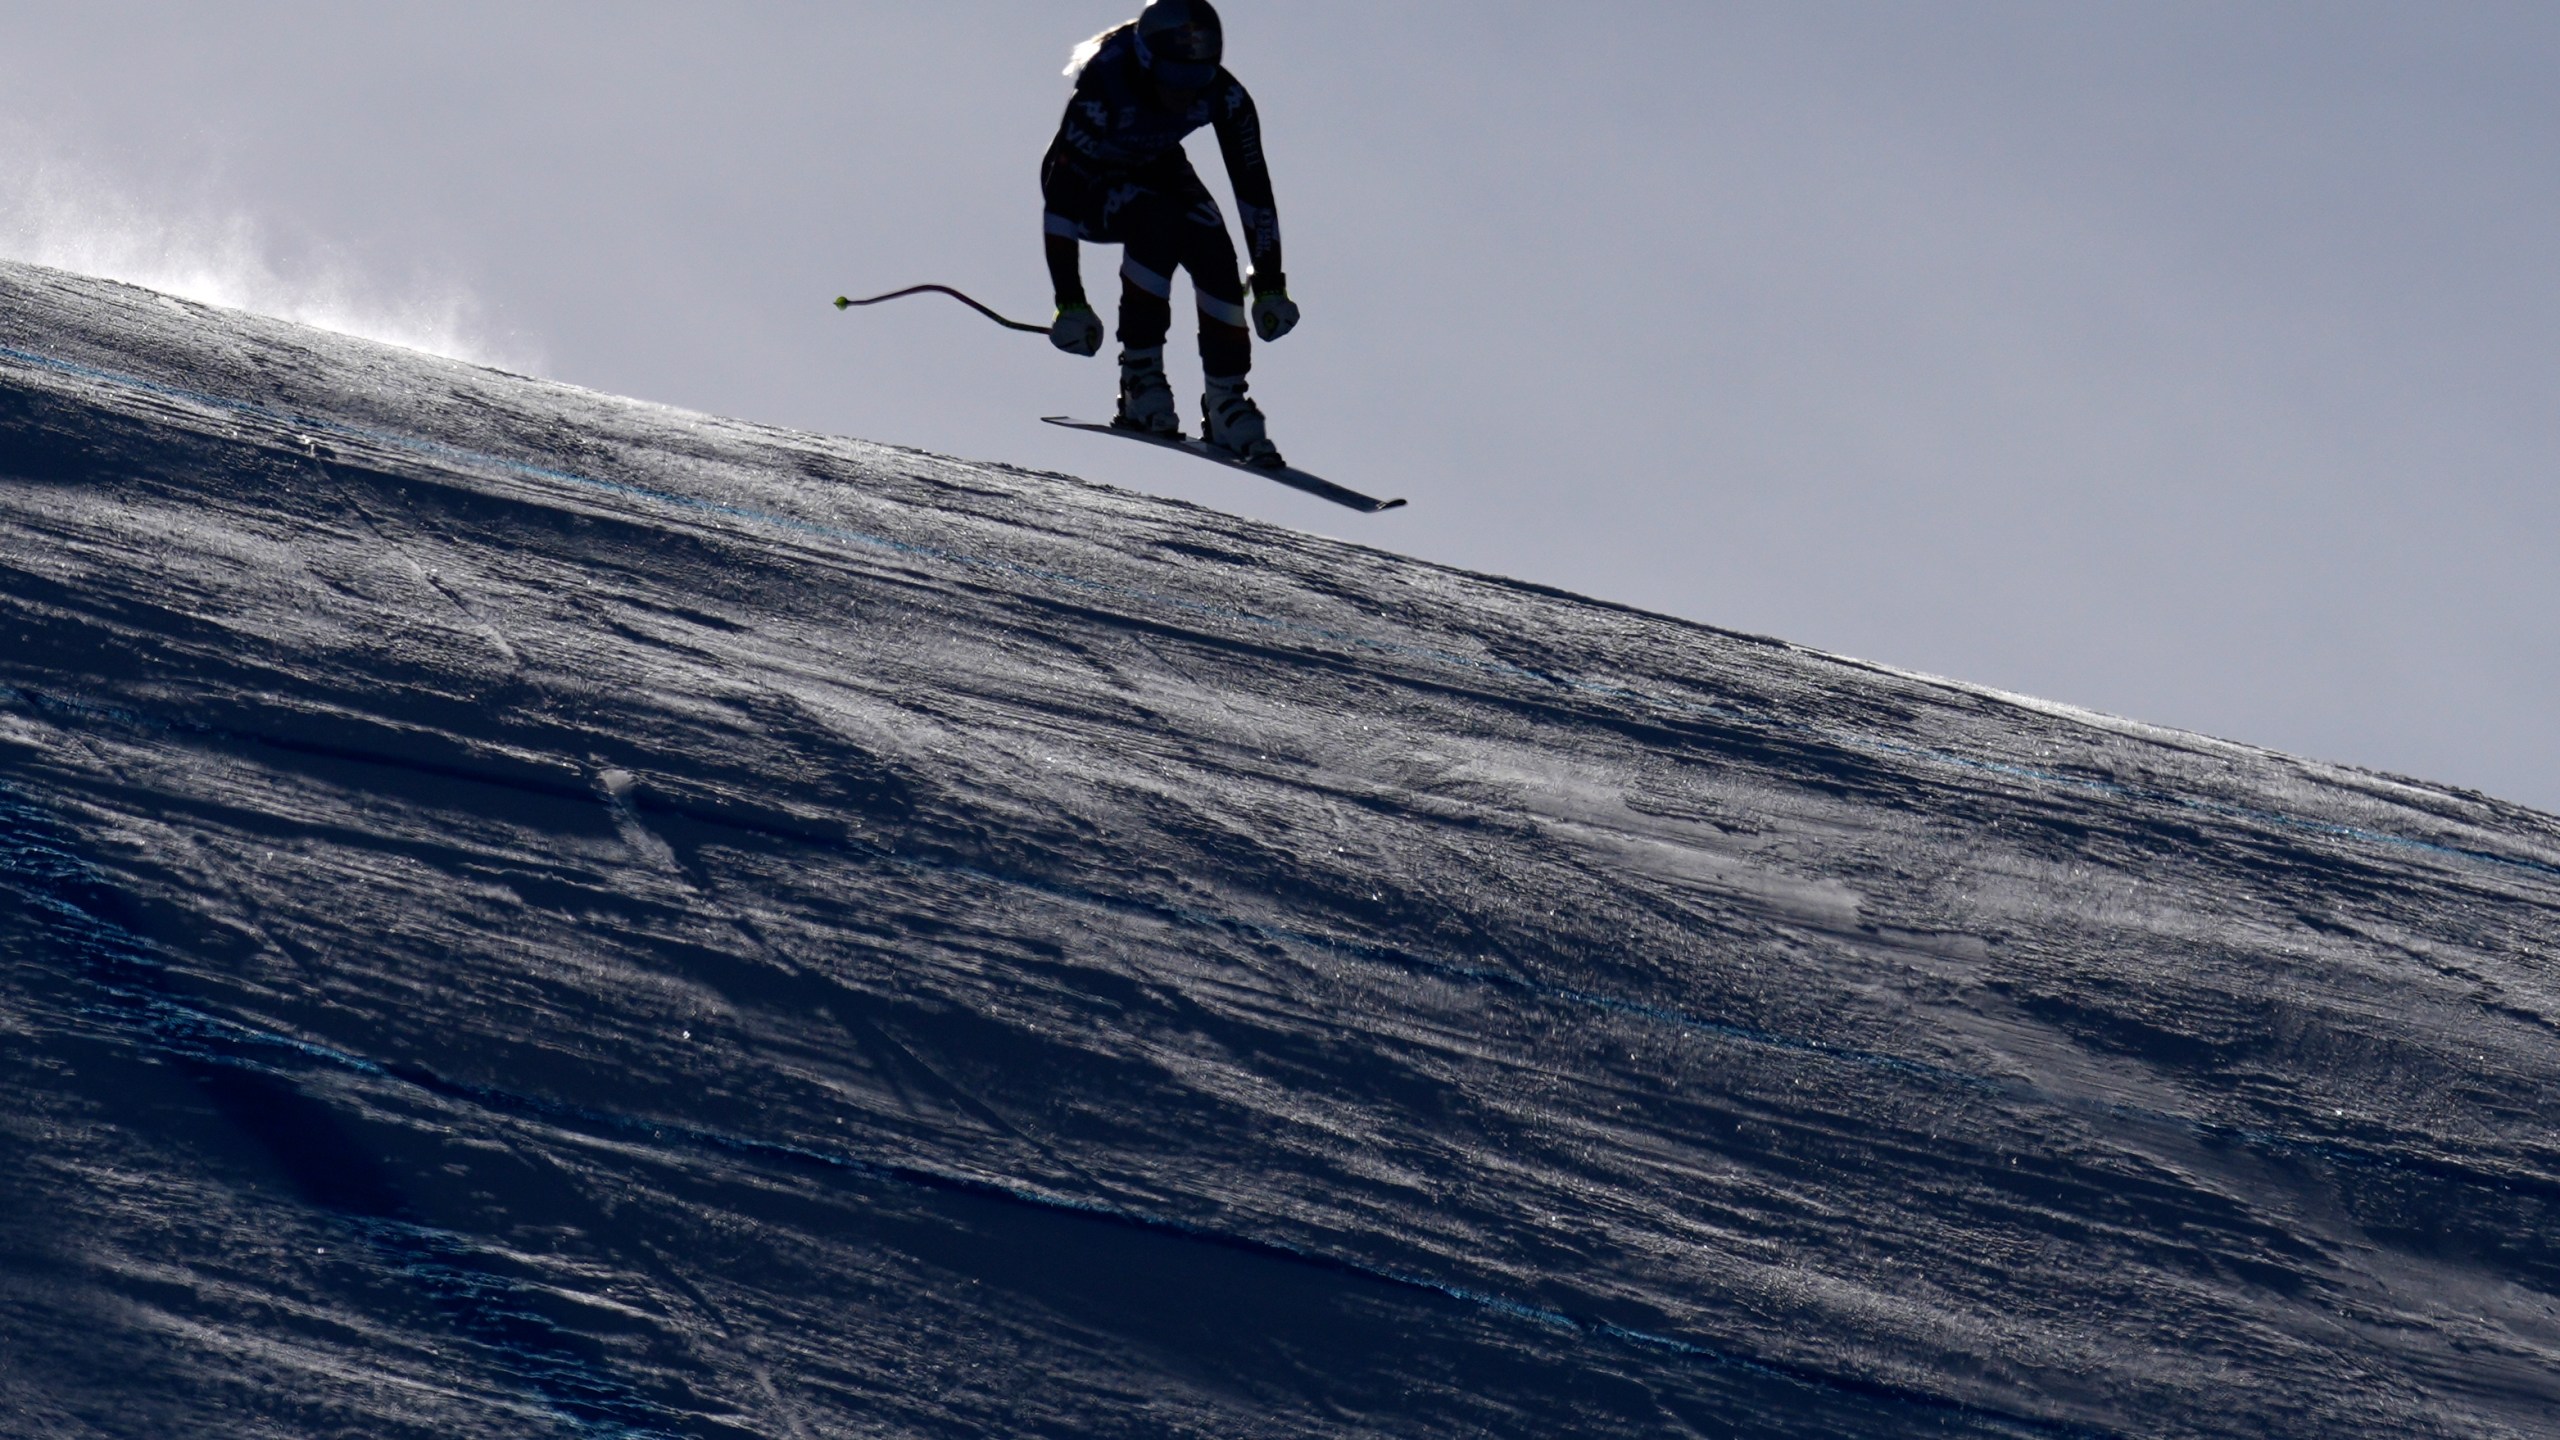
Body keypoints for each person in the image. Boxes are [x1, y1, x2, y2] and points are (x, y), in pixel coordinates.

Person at [1042, 0, 1301, 465]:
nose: (1187, 93)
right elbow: (1060, 204)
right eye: (1176, 78)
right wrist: (1070, 301)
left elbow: (1253, 189)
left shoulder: (1224, 94)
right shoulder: (1106, 84)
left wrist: (1269, 282)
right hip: (1089, 187)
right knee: (1156, 220)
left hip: (1156, 165)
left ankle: (1226, 399)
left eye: (1198, 77)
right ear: (1145, 60)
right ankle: (1141, 377)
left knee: (1210, 240)